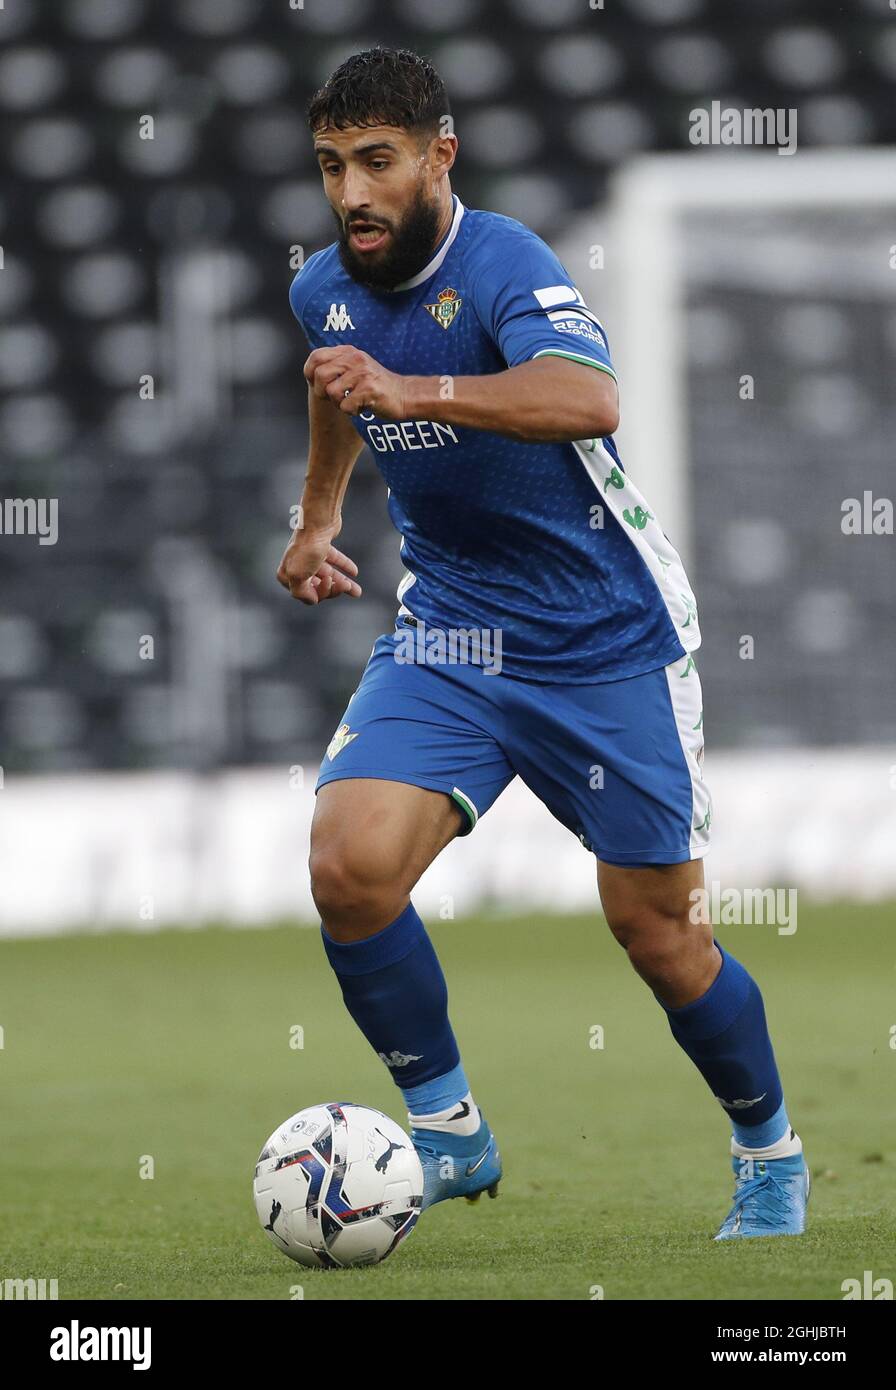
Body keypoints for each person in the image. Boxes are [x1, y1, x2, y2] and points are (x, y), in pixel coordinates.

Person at [277, 46, 808, 1239]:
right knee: (347, 867)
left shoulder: (505, 261)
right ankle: (449, 1129)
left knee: (656, 931)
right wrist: (316, 518)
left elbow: (585, 398)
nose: (352, 193)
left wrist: (417, 392)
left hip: (603, 637)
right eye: (330, 167)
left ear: (438, 156)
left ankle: (767, 1149)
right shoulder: (325, 286)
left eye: (377, 162)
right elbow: (332, 381)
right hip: (452, 629)